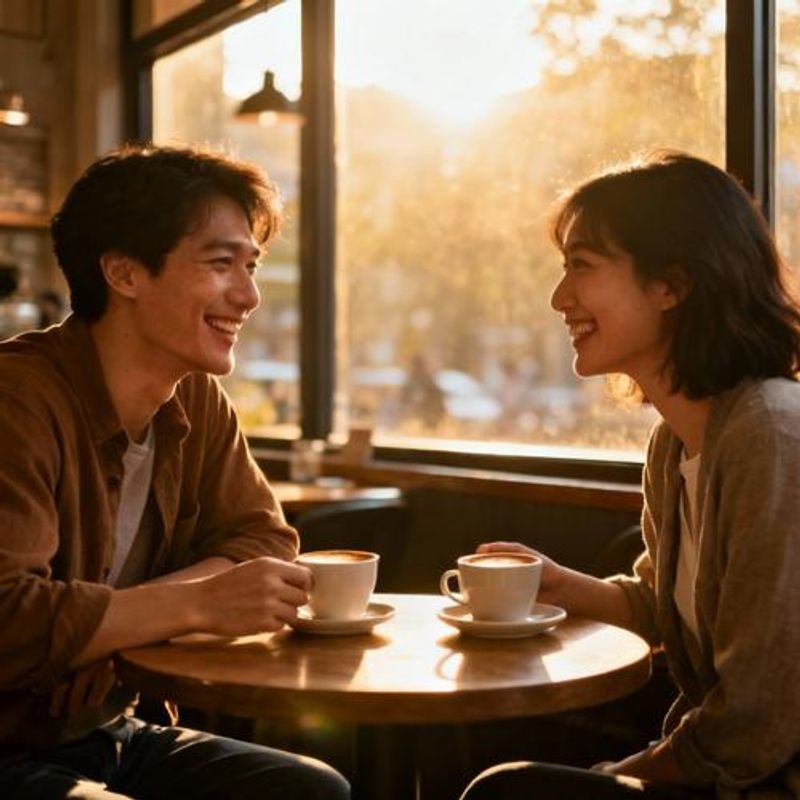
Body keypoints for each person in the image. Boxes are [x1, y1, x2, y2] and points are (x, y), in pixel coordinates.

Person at [0, 145, 350, 799]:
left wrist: (123, 622)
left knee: (312, 789)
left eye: (251, 266)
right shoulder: (16, 398)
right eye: (221, 264)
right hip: (9, 751)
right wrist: (183, 605)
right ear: (124, 273)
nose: (247, 296)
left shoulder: (192, 396)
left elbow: (265, 543)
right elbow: (6, 615)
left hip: (108, 732)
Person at [460, 152, 800, 799]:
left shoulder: (772, 434)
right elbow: (662, 608)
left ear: (672, 284)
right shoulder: (674, 444)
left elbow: (762, 715)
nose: (560, 298)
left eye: (581, 267)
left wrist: (627, 772)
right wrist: (558, 584)